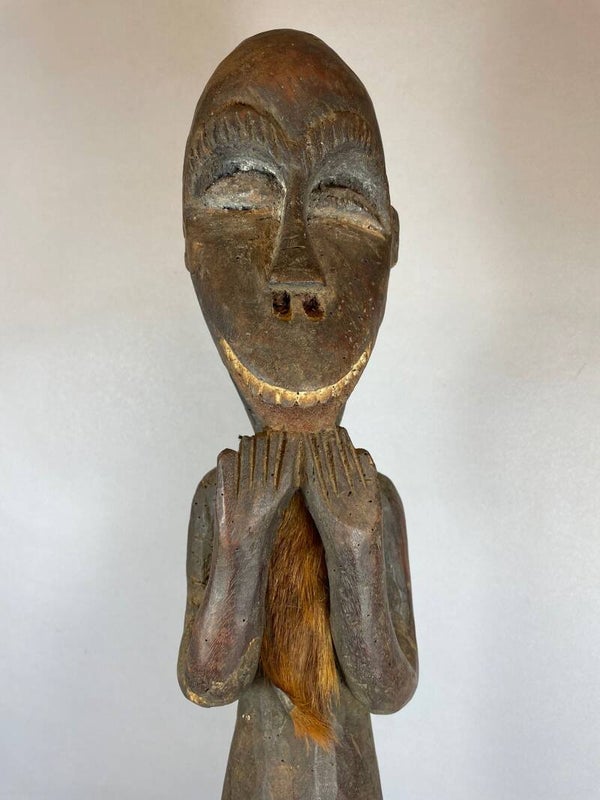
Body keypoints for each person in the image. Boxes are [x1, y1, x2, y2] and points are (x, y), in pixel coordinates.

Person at [178, 29, 418, 800]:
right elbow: (208, 681)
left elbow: (388, 687)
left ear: (392, 246)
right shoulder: (225, 496)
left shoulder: (372, 501)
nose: (296, 275)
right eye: (241, 198)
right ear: (189, 240)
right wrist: (242, 541)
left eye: (342, 201)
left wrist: (355, 545)